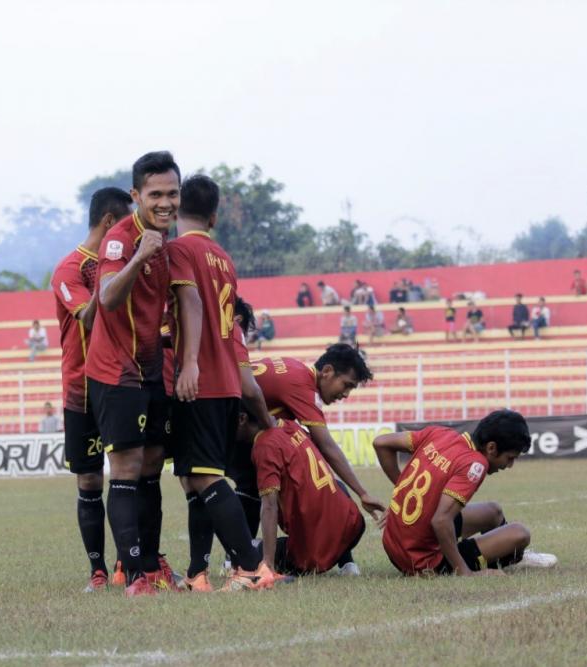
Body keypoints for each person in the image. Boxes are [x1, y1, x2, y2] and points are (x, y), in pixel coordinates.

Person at [168, 173, 279, 593]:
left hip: (199, 380)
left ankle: (251, 568)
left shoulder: (179, 251)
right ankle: (198, 573)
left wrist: (187, 359)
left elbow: (187, 306)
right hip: (226, 380)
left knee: (206, 478)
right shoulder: (223, 258)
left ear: (177, 208)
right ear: (214, 217)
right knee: (196, 477)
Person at [84, 151, 179, 597]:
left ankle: (152, 563)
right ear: (136, 196)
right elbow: (105, 299)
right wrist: (139, 257)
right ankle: (134, 576)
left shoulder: (166, 238)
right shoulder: (122, 240)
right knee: (124, 467)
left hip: (150, 370)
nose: (166, 202)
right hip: (116, 371)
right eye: (155, 194)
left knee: (153, 465)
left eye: (172, 193)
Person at [226, 344, 386, 575]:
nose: (345, 395)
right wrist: (362, 492)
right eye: (346, 385)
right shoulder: (302, 388)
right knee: (254, 490)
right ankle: (242, 560)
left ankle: (244, 559)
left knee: (315, 485)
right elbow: (326, 445)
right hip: (233, 427)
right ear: (327, 371)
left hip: (239, 421)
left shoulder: (294, 368)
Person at [51, 186, 132, 592]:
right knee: (89, 482)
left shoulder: (122, 263)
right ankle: (98, 571)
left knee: (128, 475)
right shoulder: (70, 269)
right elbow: (86, 316)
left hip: (118, 386)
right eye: (124, 223)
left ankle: (127, 564)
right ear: (108, 222)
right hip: (82, 391)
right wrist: (109, 274)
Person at [375, 410, 557, 576]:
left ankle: (512, 558)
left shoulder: (439, 434)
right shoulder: (476, 464)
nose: (509, 465)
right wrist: (464, 572)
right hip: (422, 561)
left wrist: (404, 492)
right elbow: (440, 520)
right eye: (510, 458)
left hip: (394, 544)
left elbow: (381, 442)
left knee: (493, 512)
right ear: (491, 448)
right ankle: (490, 561)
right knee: (520, 534)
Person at [238, 406, 365, 576]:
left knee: (245, 549)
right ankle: (347, 563)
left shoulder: (264, 446)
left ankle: (260, 561)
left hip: (313, 553)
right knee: (336, 486)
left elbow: (269, 506)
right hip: (352, 528)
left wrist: (267, 562)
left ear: (242, 418)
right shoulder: (289, 425)